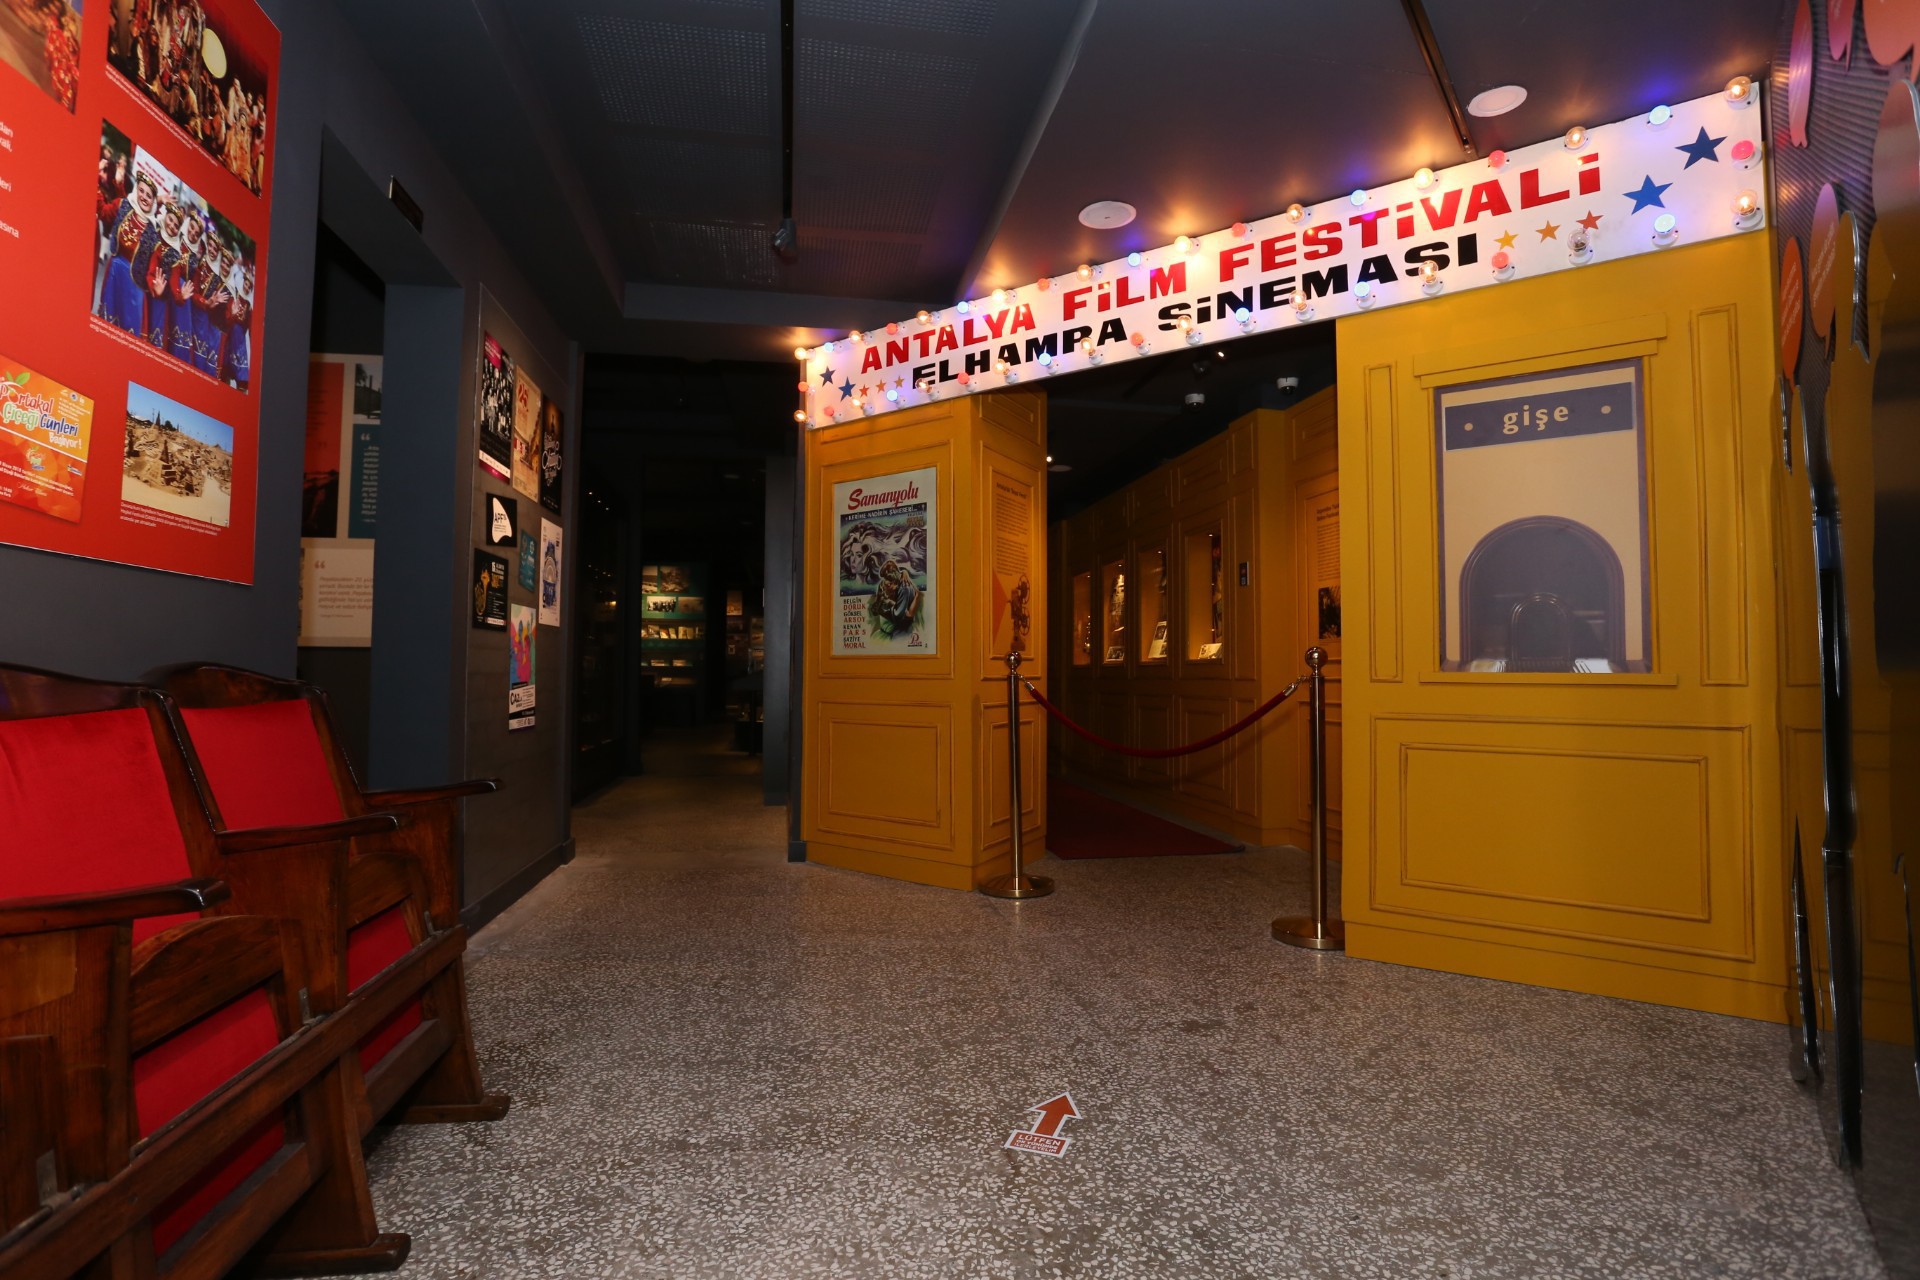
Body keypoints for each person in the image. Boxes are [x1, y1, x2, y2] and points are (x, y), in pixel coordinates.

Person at [101, 171, 161, 337]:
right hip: (115, 276)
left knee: (127, 335)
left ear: (153, 201)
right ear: (136, 190)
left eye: (149, 196)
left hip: (134, 289)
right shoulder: (123, 206)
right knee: (105, 328)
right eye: (141, 191)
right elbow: (104, 212)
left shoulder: (154, 233)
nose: (144, 197)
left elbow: (151, 271)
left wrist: (155, 287)